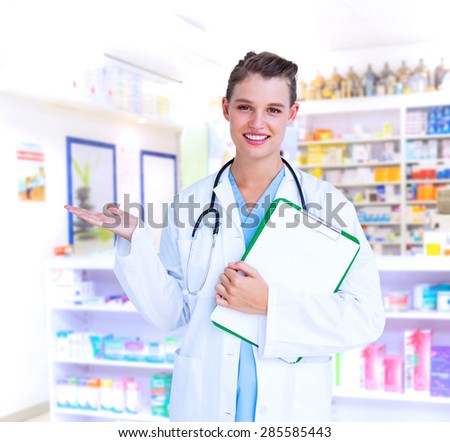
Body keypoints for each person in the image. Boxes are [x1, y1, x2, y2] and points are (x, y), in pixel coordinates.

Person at [65, 51, 385, 422]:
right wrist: (134, 241)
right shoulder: (191, 203)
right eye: (245, 107)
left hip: (290, 410)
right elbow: (172, 313)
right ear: (226, 109)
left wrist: (270, 303)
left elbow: (365, 318)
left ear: (292, 115)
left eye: (274, 110)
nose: (258, 123)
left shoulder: (327, 205)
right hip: (205, 408)